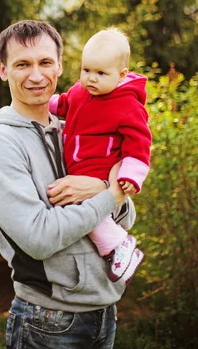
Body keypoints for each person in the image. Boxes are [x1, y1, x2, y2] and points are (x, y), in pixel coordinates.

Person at [0, 20, 138, 349]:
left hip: (104, 311)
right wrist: (110, 192)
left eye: (45, 62)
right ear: (3, 70)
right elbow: (40, 238)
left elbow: (126, 216)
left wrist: (106, 193)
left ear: (60, 66)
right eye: (23, 64)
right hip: (47, 320)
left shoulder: (75, 132)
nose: (36, 75)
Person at [48, 28, 151, 284]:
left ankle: (120, 245)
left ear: (121, 75)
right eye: (86, 71)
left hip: (99, 166)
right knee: (79, 206)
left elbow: (139, 144)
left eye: (101, 73)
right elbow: (64, 105)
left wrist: (130, 175)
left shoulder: (128, 105)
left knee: (86, 210)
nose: (91, 79)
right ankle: (117, 245)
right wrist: (43, 103)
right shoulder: (81, 91)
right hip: (77, 163)